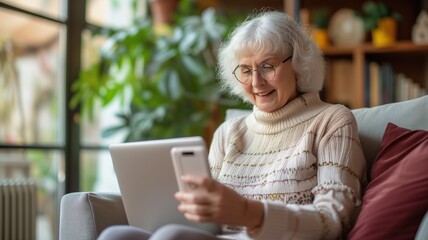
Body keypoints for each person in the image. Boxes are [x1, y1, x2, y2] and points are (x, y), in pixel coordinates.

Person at [98, 10, 366, 240]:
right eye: (246, 70)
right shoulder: (229, 132)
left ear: (298, 64)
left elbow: (333, 221)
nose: (256, 82)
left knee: (172, 237)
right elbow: (206, 222)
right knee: (116, 235)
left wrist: (250, 214)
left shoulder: (332, 120)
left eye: (267, 66)